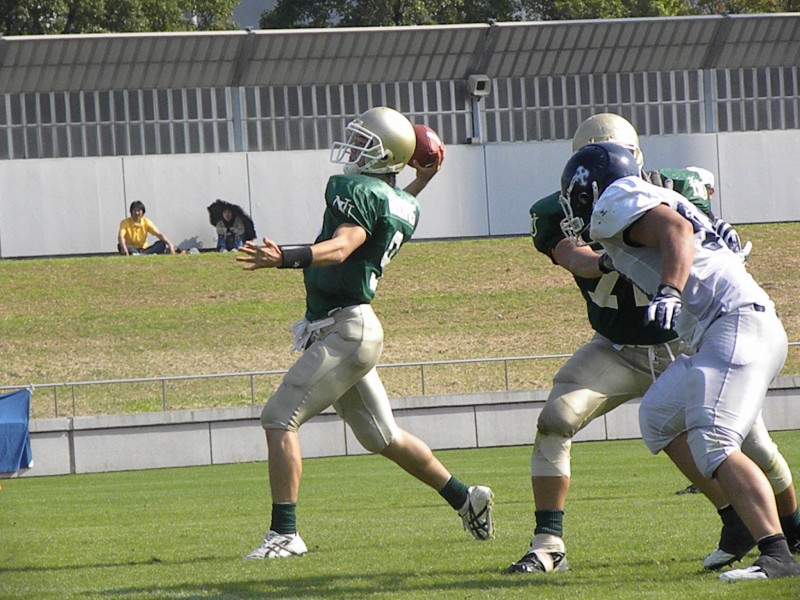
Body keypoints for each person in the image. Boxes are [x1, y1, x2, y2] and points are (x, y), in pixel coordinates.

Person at [505, 113, 800, 575]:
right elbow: (589, 254)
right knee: (656, 418)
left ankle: (782, 545)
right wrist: (617, 259)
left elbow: (678, 232)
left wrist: (670, 288)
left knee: (734, 443)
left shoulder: (627, 195)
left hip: (708, 333)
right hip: (634, 343)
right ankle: (737, 523)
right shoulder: (640, 197)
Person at [235, 106, 494, 560]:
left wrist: (285, 258)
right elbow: (391, 205)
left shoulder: (353, 189)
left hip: (347, 329)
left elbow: (342, 247)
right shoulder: (406, 204)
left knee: (278, 418)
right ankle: (464, 498)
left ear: (385, 154)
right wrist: (423, 179)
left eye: (364, 144)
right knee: (382, 437)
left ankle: (285, 534)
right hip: (351, 328)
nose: (353, 149)